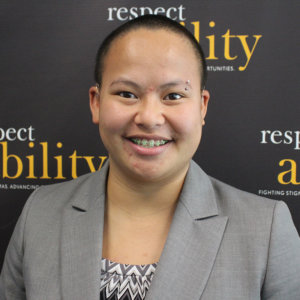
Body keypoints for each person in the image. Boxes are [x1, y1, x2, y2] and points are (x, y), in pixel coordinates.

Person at [1, 15, 300, 300]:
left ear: (202, 107)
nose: (149, 117)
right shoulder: (40, 214)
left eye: (173, 96)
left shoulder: (266, 230)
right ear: (96, 102)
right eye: (127, 94)